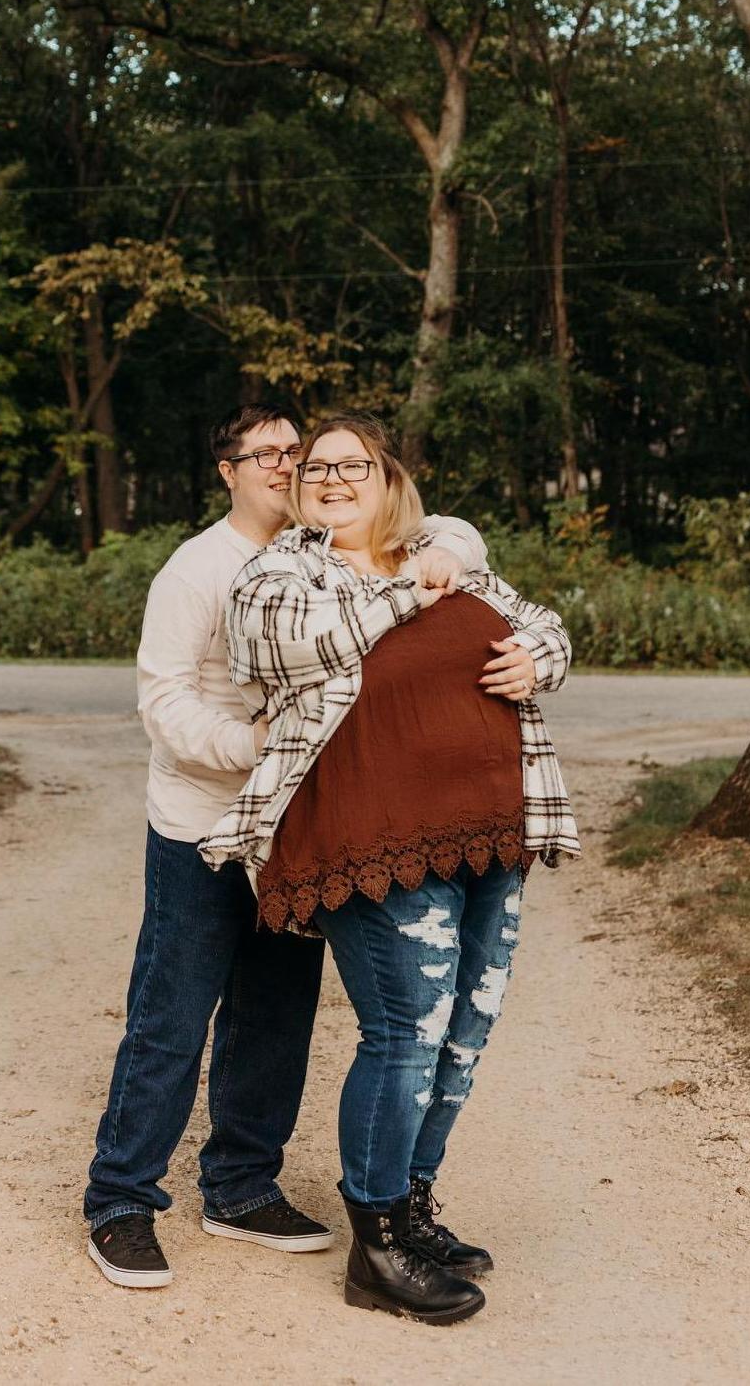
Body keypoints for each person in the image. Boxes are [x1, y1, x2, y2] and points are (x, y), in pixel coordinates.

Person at [83, 404, 495, 1290]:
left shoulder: (329, 545)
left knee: (276, 1014)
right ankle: (119, 1199)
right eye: (262, 453)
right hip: (202, 825)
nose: (283, 463)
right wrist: (253, 746)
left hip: (295, 829)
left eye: (293, 451)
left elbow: (447, 531)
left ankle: (240, 1186)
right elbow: (163, 703)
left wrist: (452, 556)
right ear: (227, 470)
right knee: (171, 1015)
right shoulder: (197, 569)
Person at [201, 413, 578, 1326]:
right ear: (298, 491)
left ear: (388, 477)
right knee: (405, 1028)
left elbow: (545, 627)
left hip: (488, 827)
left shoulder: (451, 560)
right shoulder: (280, 575)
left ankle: (410, 1206)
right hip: (368, 837)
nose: (332, 478)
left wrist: (536, 658)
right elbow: (306, 646)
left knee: (463, 1030)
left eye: (353, 465)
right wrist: (413, 584)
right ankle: (375, 1247)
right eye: (316, 468)